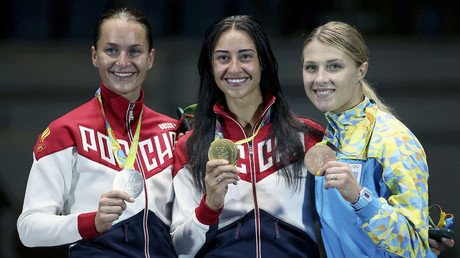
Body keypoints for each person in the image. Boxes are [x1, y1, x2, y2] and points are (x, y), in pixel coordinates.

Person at [17, 6, 178, 257]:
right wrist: (92, 222)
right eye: (111, 50)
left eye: (134, 51)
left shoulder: (173, 132)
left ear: (150, 58)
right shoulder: (64, 132)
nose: (123, 62)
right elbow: (29, 228)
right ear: (95, 56)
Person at [171, 15, 324, 257]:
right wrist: (209, 206)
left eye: (245, 56)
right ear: (211, 67)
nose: (234, 68)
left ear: (262, 61)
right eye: (223, 58)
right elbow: (181, 248)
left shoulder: (307, 137)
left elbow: (338, 223)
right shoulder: (190, 147)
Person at [301, 21, 436, 257]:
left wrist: (360, 199)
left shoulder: (394, 140)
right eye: (311, 68)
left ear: (360, 71)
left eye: (334, 66)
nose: (320, 78)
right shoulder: (328, 142)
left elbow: (416, 246)